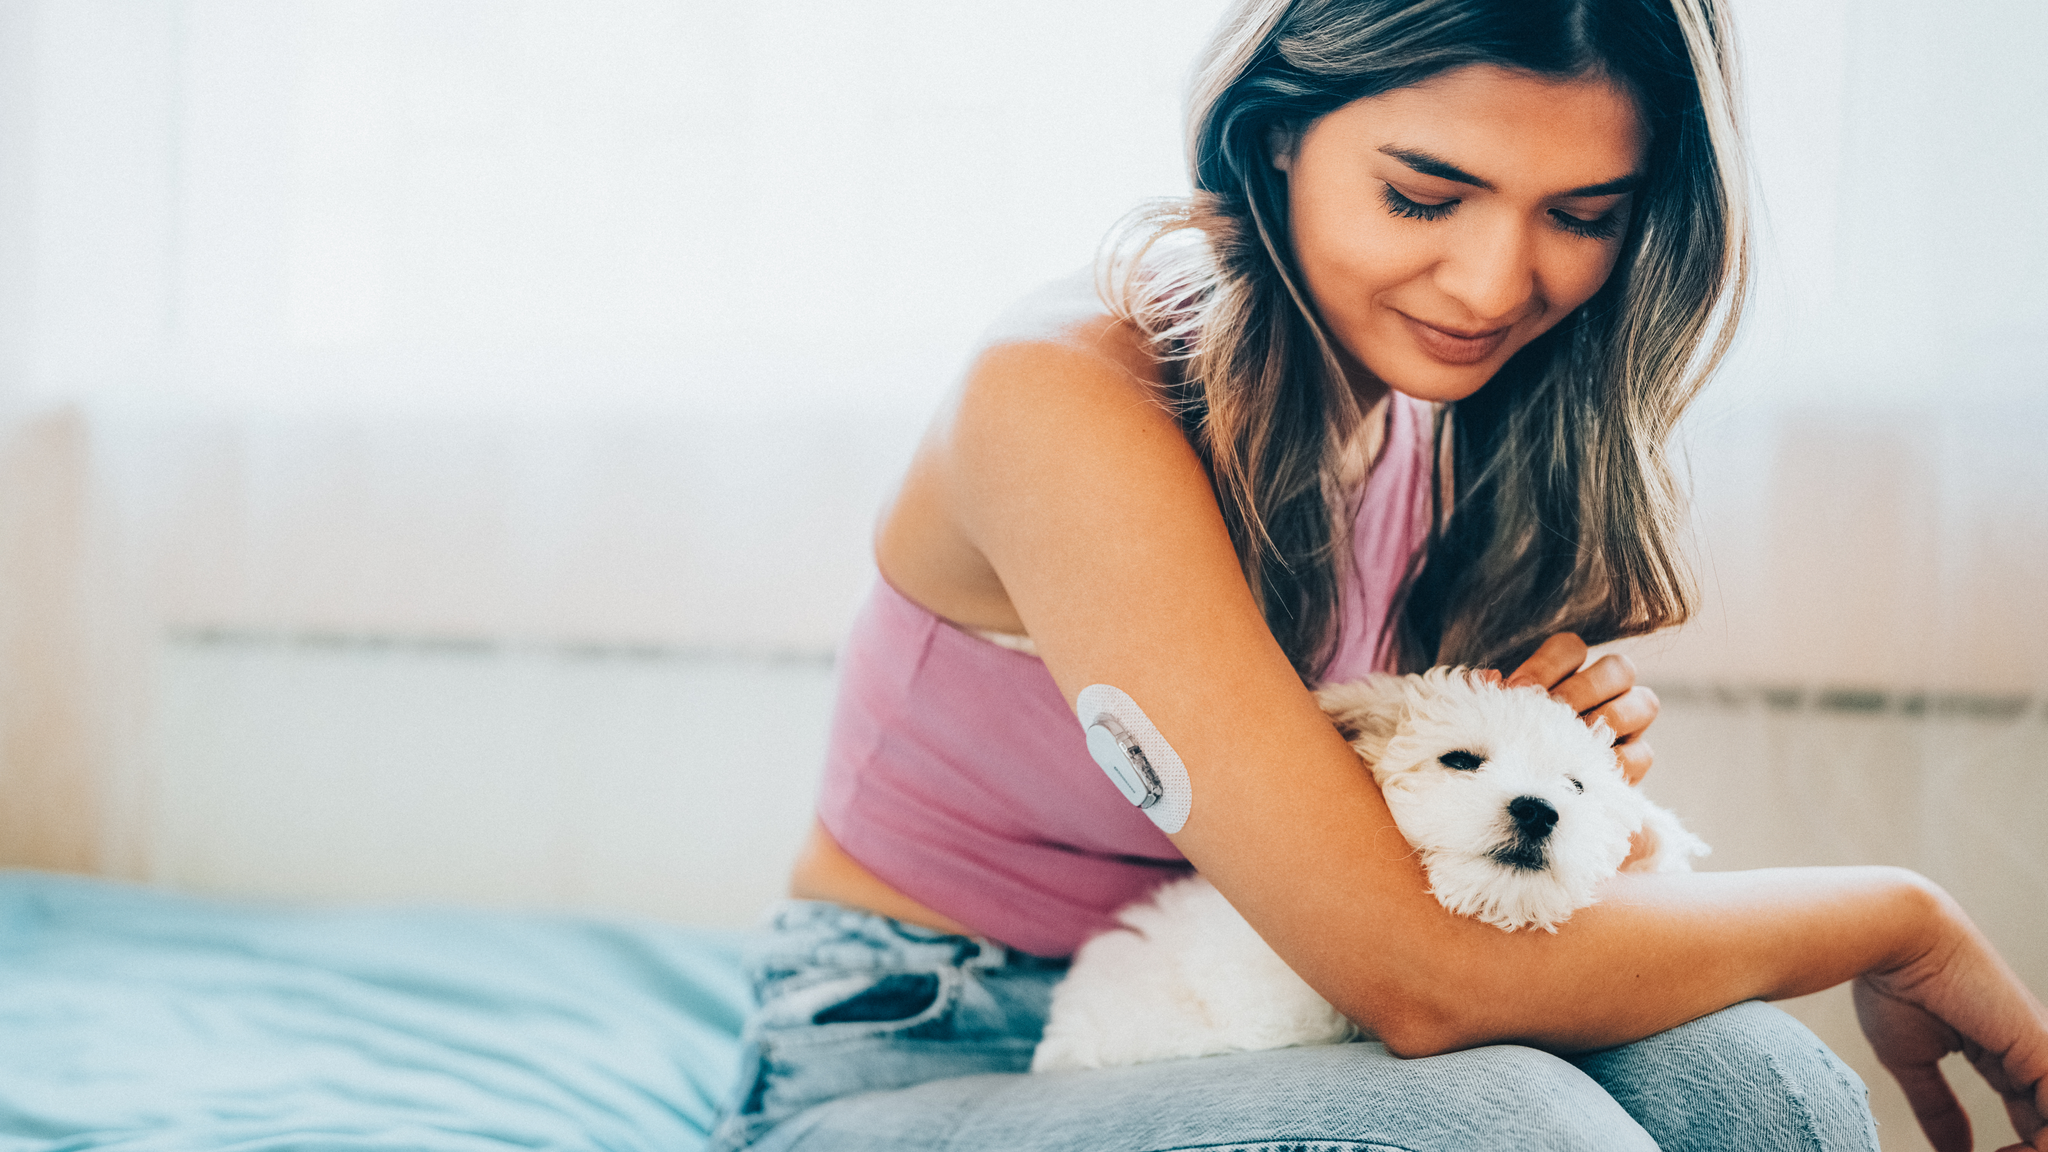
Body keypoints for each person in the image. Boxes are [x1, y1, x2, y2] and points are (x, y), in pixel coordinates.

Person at [709, 0, 2048, 1149]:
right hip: (923, 1051)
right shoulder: (1067, 398)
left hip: (1269, 998)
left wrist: (1564, 785)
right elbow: (1424, 981)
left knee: (1766, 1090)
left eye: (1580, 216)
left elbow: (1438, 916)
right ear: (1277, 130)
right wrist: (1902, 923)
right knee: (1516, 1130)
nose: (1491, 283)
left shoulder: (1432, 415)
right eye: (1424, 194)